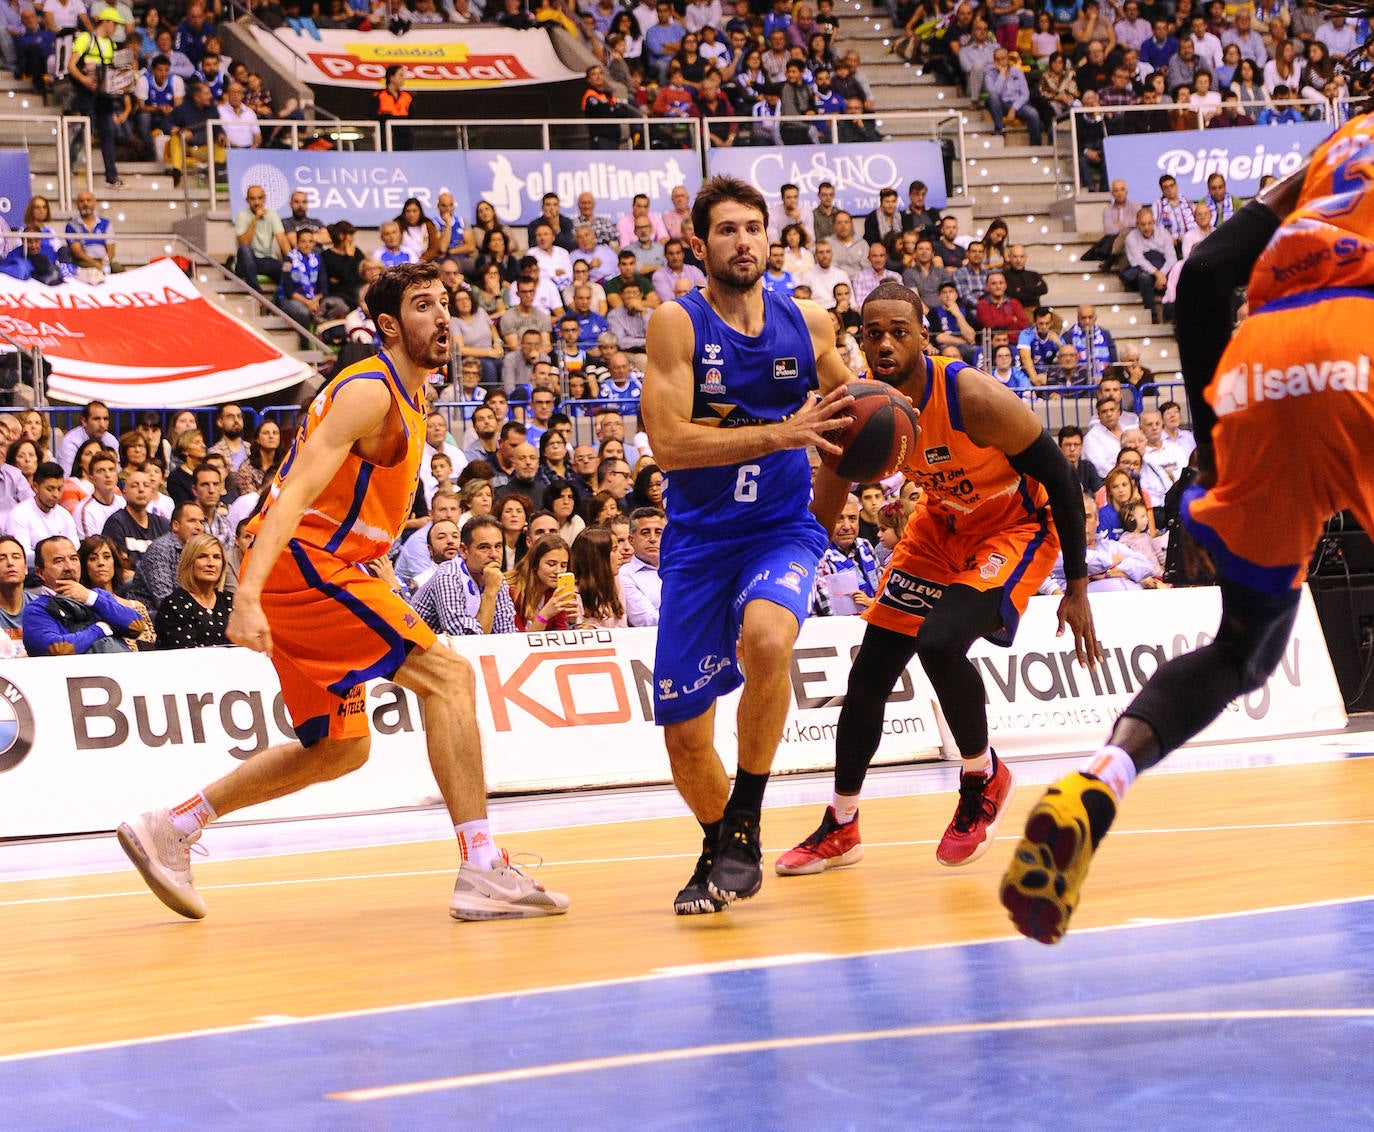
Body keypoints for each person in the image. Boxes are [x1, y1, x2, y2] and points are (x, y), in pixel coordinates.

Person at [117, 263, 568, 923]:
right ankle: (481, 867)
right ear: (389, 325)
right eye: (422, 306)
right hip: (301, 564)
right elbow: (295, 490)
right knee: (448, 678)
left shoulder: (407, 398)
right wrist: (247, 595)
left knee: (340, 746)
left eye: (446, 303)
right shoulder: (371, 391)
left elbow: (348, 500)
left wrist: (373, 562)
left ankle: (173, 825)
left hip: (323, 564)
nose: (442, 316)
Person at [997, 154, 1346, 941]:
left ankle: (1103, 776)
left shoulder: (1337, 151)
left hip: (1265, 376)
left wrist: (1217, 450)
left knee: (1242, 651)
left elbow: (1202, 278)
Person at [775, 280, 1098, 879]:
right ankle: (841, 824)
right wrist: (785, 576)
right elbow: (825, 507)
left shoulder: (970, 394)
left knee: (942, 643)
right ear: (861, 341)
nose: (886, 344)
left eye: (900, 331)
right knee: (869, 674)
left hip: (1015, 524)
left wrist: (1077, 586)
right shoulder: (857, 404)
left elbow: (1059, 475)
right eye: (873, 334)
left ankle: (983, 776)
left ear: (924, 334)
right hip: (938, 525)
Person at [640, 175, 855, 915]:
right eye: (727, 230)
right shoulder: (677, 322)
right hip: (699, 541)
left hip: (779, 527)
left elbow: (857, 410)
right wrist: (780, 434)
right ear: (698, 245)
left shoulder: (810, 323)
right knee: (684, 739)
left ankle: (748, 816)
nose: (743, 242)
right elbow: (668, 445)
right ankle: (719, 840)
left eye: (754, 228)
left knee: (767, 640)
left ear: (772, 238)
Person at [23, 534, 147, 656]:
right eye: (59, 561)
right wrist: (100, 629)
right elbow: (59, 649)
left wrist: (90, 598)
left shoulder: (96, 596)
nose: (69, 567)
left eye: (74, 559)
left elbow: (136, 626)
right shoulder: (37, 610)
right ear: (40, 572)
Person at [409, 513, 518, 636]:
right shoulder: (448, 576)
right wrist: (490, 592)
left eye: (498, 546)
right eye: (484, 547)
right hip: (417, 651)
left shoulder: (495, 576)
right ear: (464, 550)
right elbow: (466, 639)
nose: (494, 554)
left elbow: (508, 634)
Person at [152, 532, 232, 648]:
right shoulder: (174, 605)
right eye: (202, 556)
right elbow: (183, 654)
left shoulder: (231, 601)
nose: (211, 563)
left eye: (216, 557)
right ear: (189, 562)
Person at [811, 494, 881, 616]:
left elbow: (880, 588)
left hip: (874, 620)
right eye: (839, 519)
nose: (847, 526)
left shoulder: (865, 545)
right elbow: (828, 610)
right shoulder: (819, 555)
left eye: (852, 518)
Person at [9, 461, 79, 565]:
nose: (56, 494)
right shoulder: (19, 514)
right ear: (36, 487)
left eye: (59, 489)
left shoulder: (64, 515)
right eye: (50, 489)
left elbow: (75, 548)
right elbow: (22, 555)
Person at [233, 183, 291, 287]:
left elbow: (282, 239)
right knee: (245, 249)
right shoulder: (242, 215)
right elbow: (244, 242)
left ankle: (279, 299)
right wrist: (255, 219)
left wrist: (292, 259)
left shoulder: (272, 214)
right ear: (247, 200)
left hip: (265, 261)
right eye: (253, 199)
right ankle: (256, 292)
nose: (256, 202)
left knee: (285, 268)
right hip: (245, 262)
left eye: (259, 198)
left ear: (264, 199)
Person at [375, 63, 412, 149]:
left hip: (405, 138)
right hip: (386, 139)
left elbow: (411, 117)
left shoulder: (408, 97)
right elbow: (371, 119)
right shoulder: (379, 96)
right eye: (400, 75)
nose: (403, 78)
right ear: (391, 78)